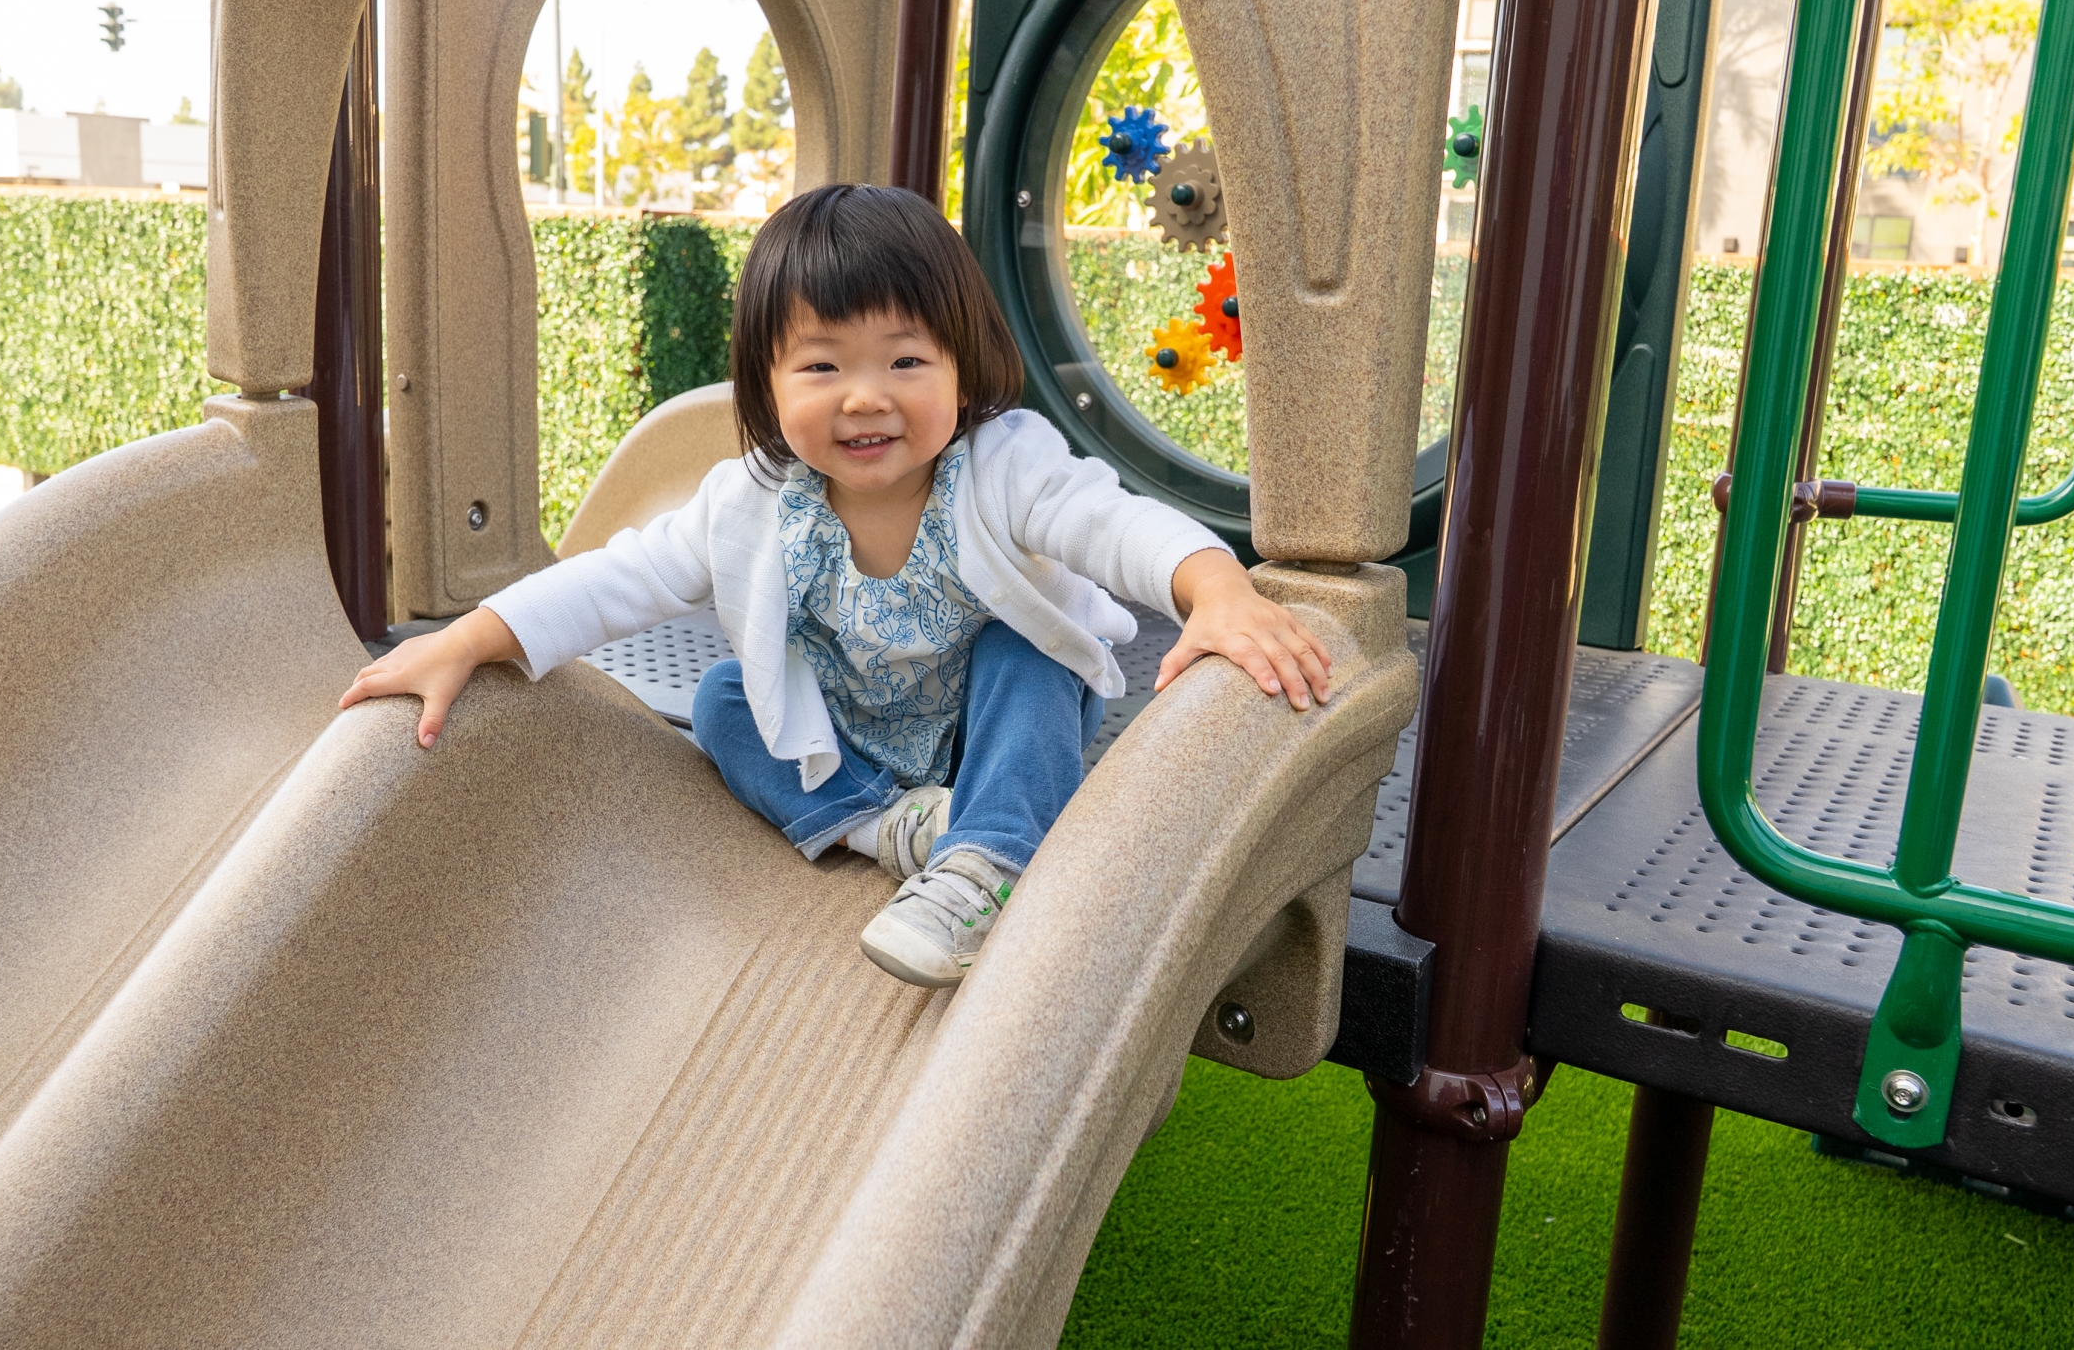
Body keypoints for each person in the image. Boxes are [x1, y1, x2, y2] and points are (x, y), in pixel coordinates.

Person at [342, 184, 1332, 988]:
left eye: (905, 358)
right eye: (821, 365)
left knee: (1022, 650)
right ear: (767, 384)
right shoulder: (752, 504)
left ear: (962, 363)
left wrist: (1216, 590)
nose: (866, 395)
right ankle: (893, 828)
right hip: (857, 738)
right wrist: (471, 636)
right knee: (724, 699)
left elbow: (1114, 525)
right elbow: (621, 578)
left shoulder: (1002, 469)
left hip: (993, 729)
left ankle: (987, 855)